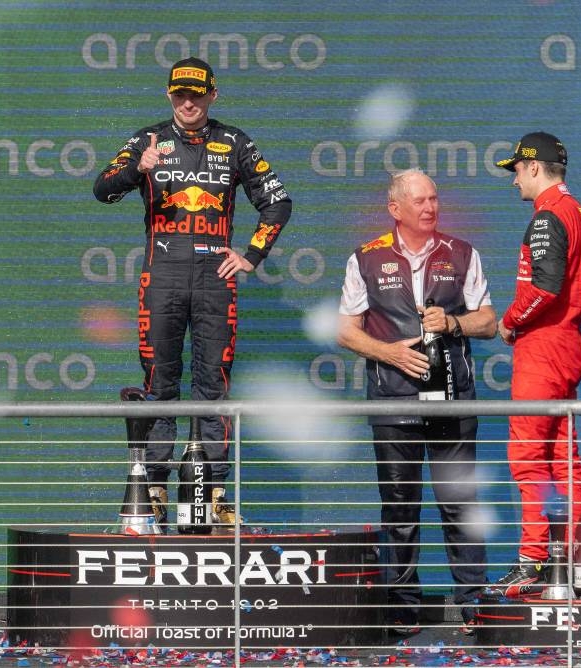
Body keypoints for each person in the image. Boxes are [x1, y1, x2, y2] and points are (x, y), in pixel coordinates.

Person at [93, 57, 292, 530]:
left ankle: (212, 495)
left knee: (212, 385)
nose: (188, 102)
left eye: (196, 94)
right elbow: (101, 188)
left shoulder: (235, 141)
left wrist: (252, 254)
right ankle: (155, 490)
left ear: (212, 96)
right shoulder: (147, 140)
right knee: (160, 384)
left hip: (214, 279)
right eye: (180, 94)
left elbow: (278, 201)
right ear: (168, 95)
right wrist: (133, 171)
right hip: (160, 276)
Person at [337, 168, 496, 634]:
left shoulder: (463, 254)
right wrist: (388, 352)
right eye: (420, 201)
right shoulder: (365, 259)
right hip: (394, 401)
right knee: (400, 509)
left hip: (451, 401)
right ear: (395, 209)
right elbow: (346, 330)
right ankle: (403, 608)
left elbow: (488, 321)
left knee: (460, 505)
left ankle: (473, 607)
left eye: (434, 199)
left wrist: (452, 324)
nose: (430, 208)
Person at [486, 132, 581, 598]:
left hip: (543, 347)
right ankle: (571, 563)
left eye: (516, 170)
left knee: (528, 456)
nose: (514, 181)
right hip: (568, 344)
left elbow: (545, 287)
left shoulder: (548, 215)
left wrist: (510, 321)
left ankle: (532, 562)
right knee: (563, 458)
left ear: (534, 167)